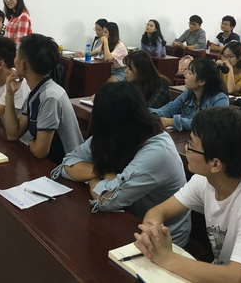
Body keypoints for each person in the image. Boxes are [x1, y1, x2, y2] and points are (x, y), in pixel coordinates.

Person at [133, 107, 241, 282]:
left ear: (215, 164)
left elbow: (237, 277)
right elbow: (159, 211)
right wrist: (152, 234)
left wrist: (167, 258)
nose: (186, 148)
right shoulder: (206, 179)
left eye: (191, 146)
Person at [51, 82, 191, 246]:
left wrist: (94, 178)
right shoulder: (114, 134)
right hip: (126, 219)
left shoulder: (157, 150)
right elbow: (67, 164)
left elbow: (107, 200)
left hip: (163, 240)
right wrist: (103, 173)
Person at [4, 33, 83, 163]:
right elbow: (13, 134)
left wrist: (31, 142)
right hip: (50, 163)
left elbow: (40, 151)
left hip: (65, 166)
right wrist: (9, 94)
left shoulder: (50, 97)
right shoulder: (37, 91)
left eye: (16, 56)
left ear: (23, 64)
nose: (14, 61)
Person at [151, 58, 229, 131]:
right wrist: (149, 114)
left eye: (190, 73)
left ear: (201, 81)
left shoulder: (220, 99)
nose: (185, 75)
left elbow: (207, 125)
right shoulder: (189, 92)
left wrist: (172, 122)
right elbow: (170, 109)